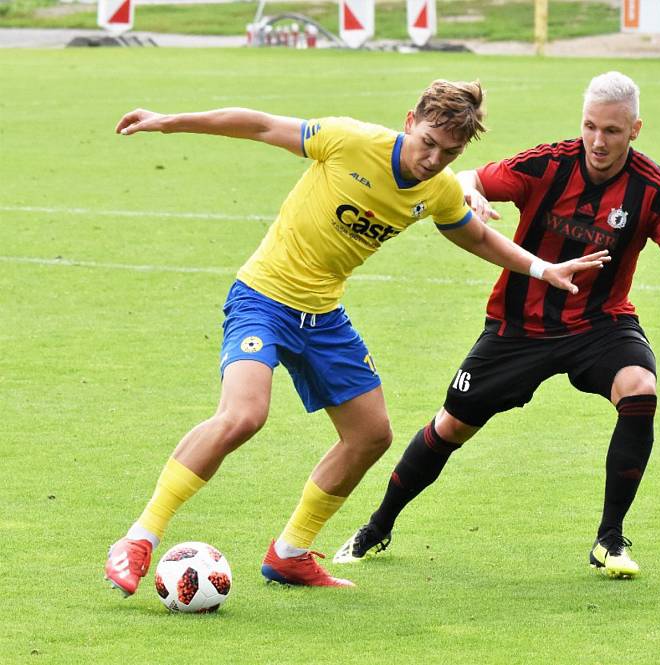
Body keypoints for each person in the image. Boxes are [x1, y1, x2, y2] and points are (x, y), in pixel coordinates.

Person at [103, 80, 610, 595]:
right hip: (262, 298)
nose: (434, 159)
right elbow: (259, 124)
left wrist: (542, 269)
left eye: (450, 152)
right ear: (410, 121)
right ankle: (138, 539)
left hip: (323, 316)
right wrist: (170, 119)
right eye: (428, 143)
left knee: (371, 435)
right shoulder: (350, 140)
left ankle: (290, 553)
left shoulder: (438, 189)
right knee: (243, 415)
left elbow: (475, 235)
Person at [334, 71, 660, 579]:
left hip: (599, 324)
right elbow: (468, 176)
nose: (597, 140)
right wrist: (470, 192)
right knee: (452, 424)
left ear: (635, 129)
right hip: (517, 326)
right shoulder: (548, 164)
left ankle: (609, 540)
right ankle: (377, 525)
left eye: (611, 130)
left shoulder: (653, 189)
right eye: (590, 126)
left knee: (640, 389)